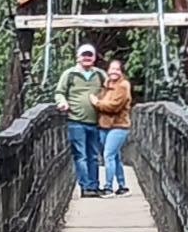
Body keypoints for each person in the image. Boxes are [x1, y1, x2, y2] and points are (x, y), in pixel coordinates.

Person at [54, 42, 105, 195]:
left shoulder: (101, 74)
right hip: (75, 121)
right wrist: (62, 102)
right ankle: (86, 187)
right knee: (81, 155)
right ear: (78, 57)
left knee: (94, 156)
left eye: (90, 55)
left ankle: (94, 186)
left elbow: (111, 91)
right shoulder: (69, 74)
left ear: (95, 58)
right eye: (84, 55)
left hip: (96, 122)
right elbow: (59, 92)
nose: (87, 58)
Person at [95, 46, 135, 194]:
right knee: (114, 156)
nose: (113, 72)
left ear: (121, 72)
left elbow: (114, 106)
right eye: (111, 69)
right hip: (104, 126)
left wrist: (96, 103)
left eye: (117, 69)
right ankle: (123, 186)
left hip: (119, 126)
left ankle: (108, 187)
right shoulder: (106, 85)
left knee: (108, 155)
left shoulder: (124, 86)